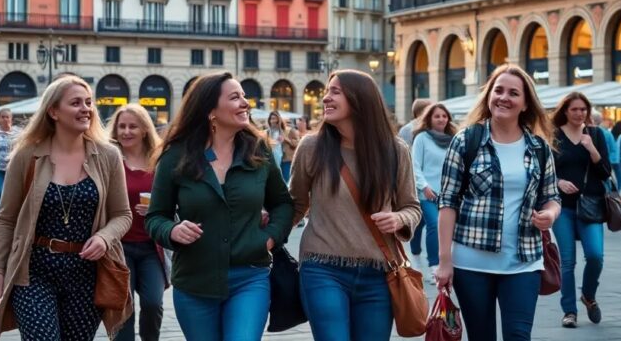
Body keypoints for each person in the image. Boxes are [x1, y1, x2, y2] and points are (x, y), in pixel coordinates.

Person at [146, 72, 294, 341]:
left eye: (244, 96)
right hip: (194, 282)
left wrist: (270, 238)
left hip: (250, 277)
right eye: (235, 97)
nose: (245, 103)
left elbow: (282, 204)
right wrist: (172, 231)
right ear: (210, 111)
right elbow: (156, 217)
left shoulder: (258, 150)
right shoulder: (175, 156)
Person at [0, 76, 132, 340]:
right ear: (53, 111)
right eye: (75, 103)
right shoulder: (27, 155)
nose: (86, 109)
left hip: (87, 274)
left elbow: (122, 214)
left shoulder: (108, 156)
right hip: (33, 272)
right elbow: (6, 219)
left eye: (88, 102)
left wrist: (104, 237)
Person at [289, 70, 422, 341]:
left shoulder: (395, 151)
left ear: (360, 99)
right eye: (327, 91)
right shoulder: (311, 147)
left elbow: (412, 207)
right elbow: (295, 203)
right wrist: (265, 230)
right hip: (322, 267)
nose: (326, 97)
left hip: (379, 274)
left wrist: (398, 219)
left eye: (335, 91)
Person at [434, 65, 561, 341]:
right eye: (498, 90)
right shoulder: (466, 141)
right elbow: (448, 203)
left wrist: (550, 214)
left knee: (518, 335)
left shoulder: (539, 148)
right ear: (489, 95)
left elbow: (552, 196)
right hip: (471, 264)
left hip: (524, 262)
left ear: (525, 104)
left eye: (513, 93)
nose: (504, 97)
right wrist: (444, 262)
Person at [106, 104, 166, 341]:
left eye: (133, 126)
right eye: (121, 126)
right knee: (123, 306)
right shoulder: (109, 158)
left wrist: (157, 209)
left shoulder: (159, 160)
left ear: (145, 130)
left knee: (153, 303)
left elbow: (172, 200)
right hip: (119, 247)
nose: (126, 131)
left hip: (152, 247)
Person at [552, 93, 611, 328]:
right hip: (562, 207)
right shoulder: (553, 136)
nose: (579, 114)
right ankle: (569, 311)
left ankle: (588, 295)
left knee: (596, 256)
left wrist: (592, 150)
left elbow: (606, 172)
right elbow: (543, 171)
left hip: (591, 205)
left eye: (583, 109)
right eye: (574, 109)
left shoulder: (595, 134)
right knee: (567, 262)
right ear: (565, 111)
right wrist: (558, 182)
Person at [411, 103, 457, 278]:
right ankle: (433, 265)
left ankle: (418, 254)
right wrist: (424, 186)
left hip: (446, 193)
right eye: (437, 116)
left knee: (420, 225)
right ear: (429, 118)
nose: (441, 119)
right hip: (426, 193)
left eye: (444, 116)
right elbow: (415, 165)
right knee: (435, 224)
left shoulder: (453, 139)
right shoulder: (421, 138)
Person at [398, 97, 432, 257]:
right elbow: (403, 155)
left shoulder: (431, 129)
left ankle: (416, 249)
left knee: (423, 219)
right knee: (423, 217)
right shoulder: (408, 129)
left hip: (428, 178)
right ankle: (417, 250)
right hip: (414, 178)